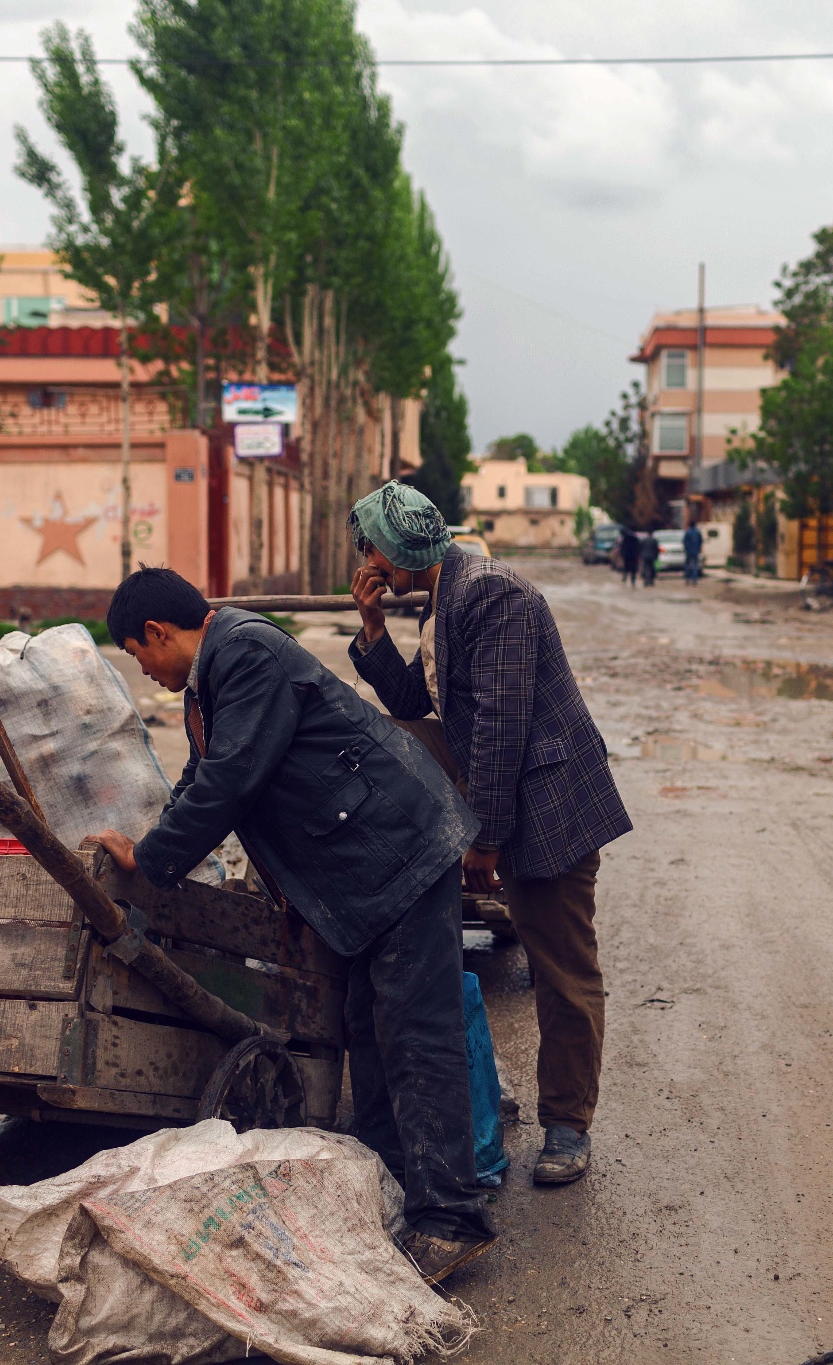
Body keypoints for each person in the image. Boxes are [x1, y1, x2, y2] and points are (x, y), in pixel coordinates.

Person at [90, 567, 495, 1284]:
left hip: (399, 849)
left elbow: (231, 779)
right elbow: (204, 775)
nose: (143, 670)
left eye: (136, 653)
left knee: (414, 1032)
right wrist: (148, 846)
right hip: (367, 866)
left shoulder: (245, 653)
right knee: (367, 1025)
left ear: (158, 632)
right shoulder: (218, 675)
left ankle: (452, 1216)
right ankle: (391, 1183)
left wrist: (154, 860)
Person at [346, 482, 632, 1188]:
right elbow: (420, 704)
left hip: (551, 802)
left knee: (562, 966)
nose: (367, 559)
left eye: (373, 546)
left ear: (406, 546)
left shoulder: (491, 594)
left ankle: (568, 1123)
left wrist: (485, 842)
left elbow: (501, 728)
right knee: (392, 737)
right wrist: (372, 628)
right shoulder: (441, 602)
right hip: (507, 793)